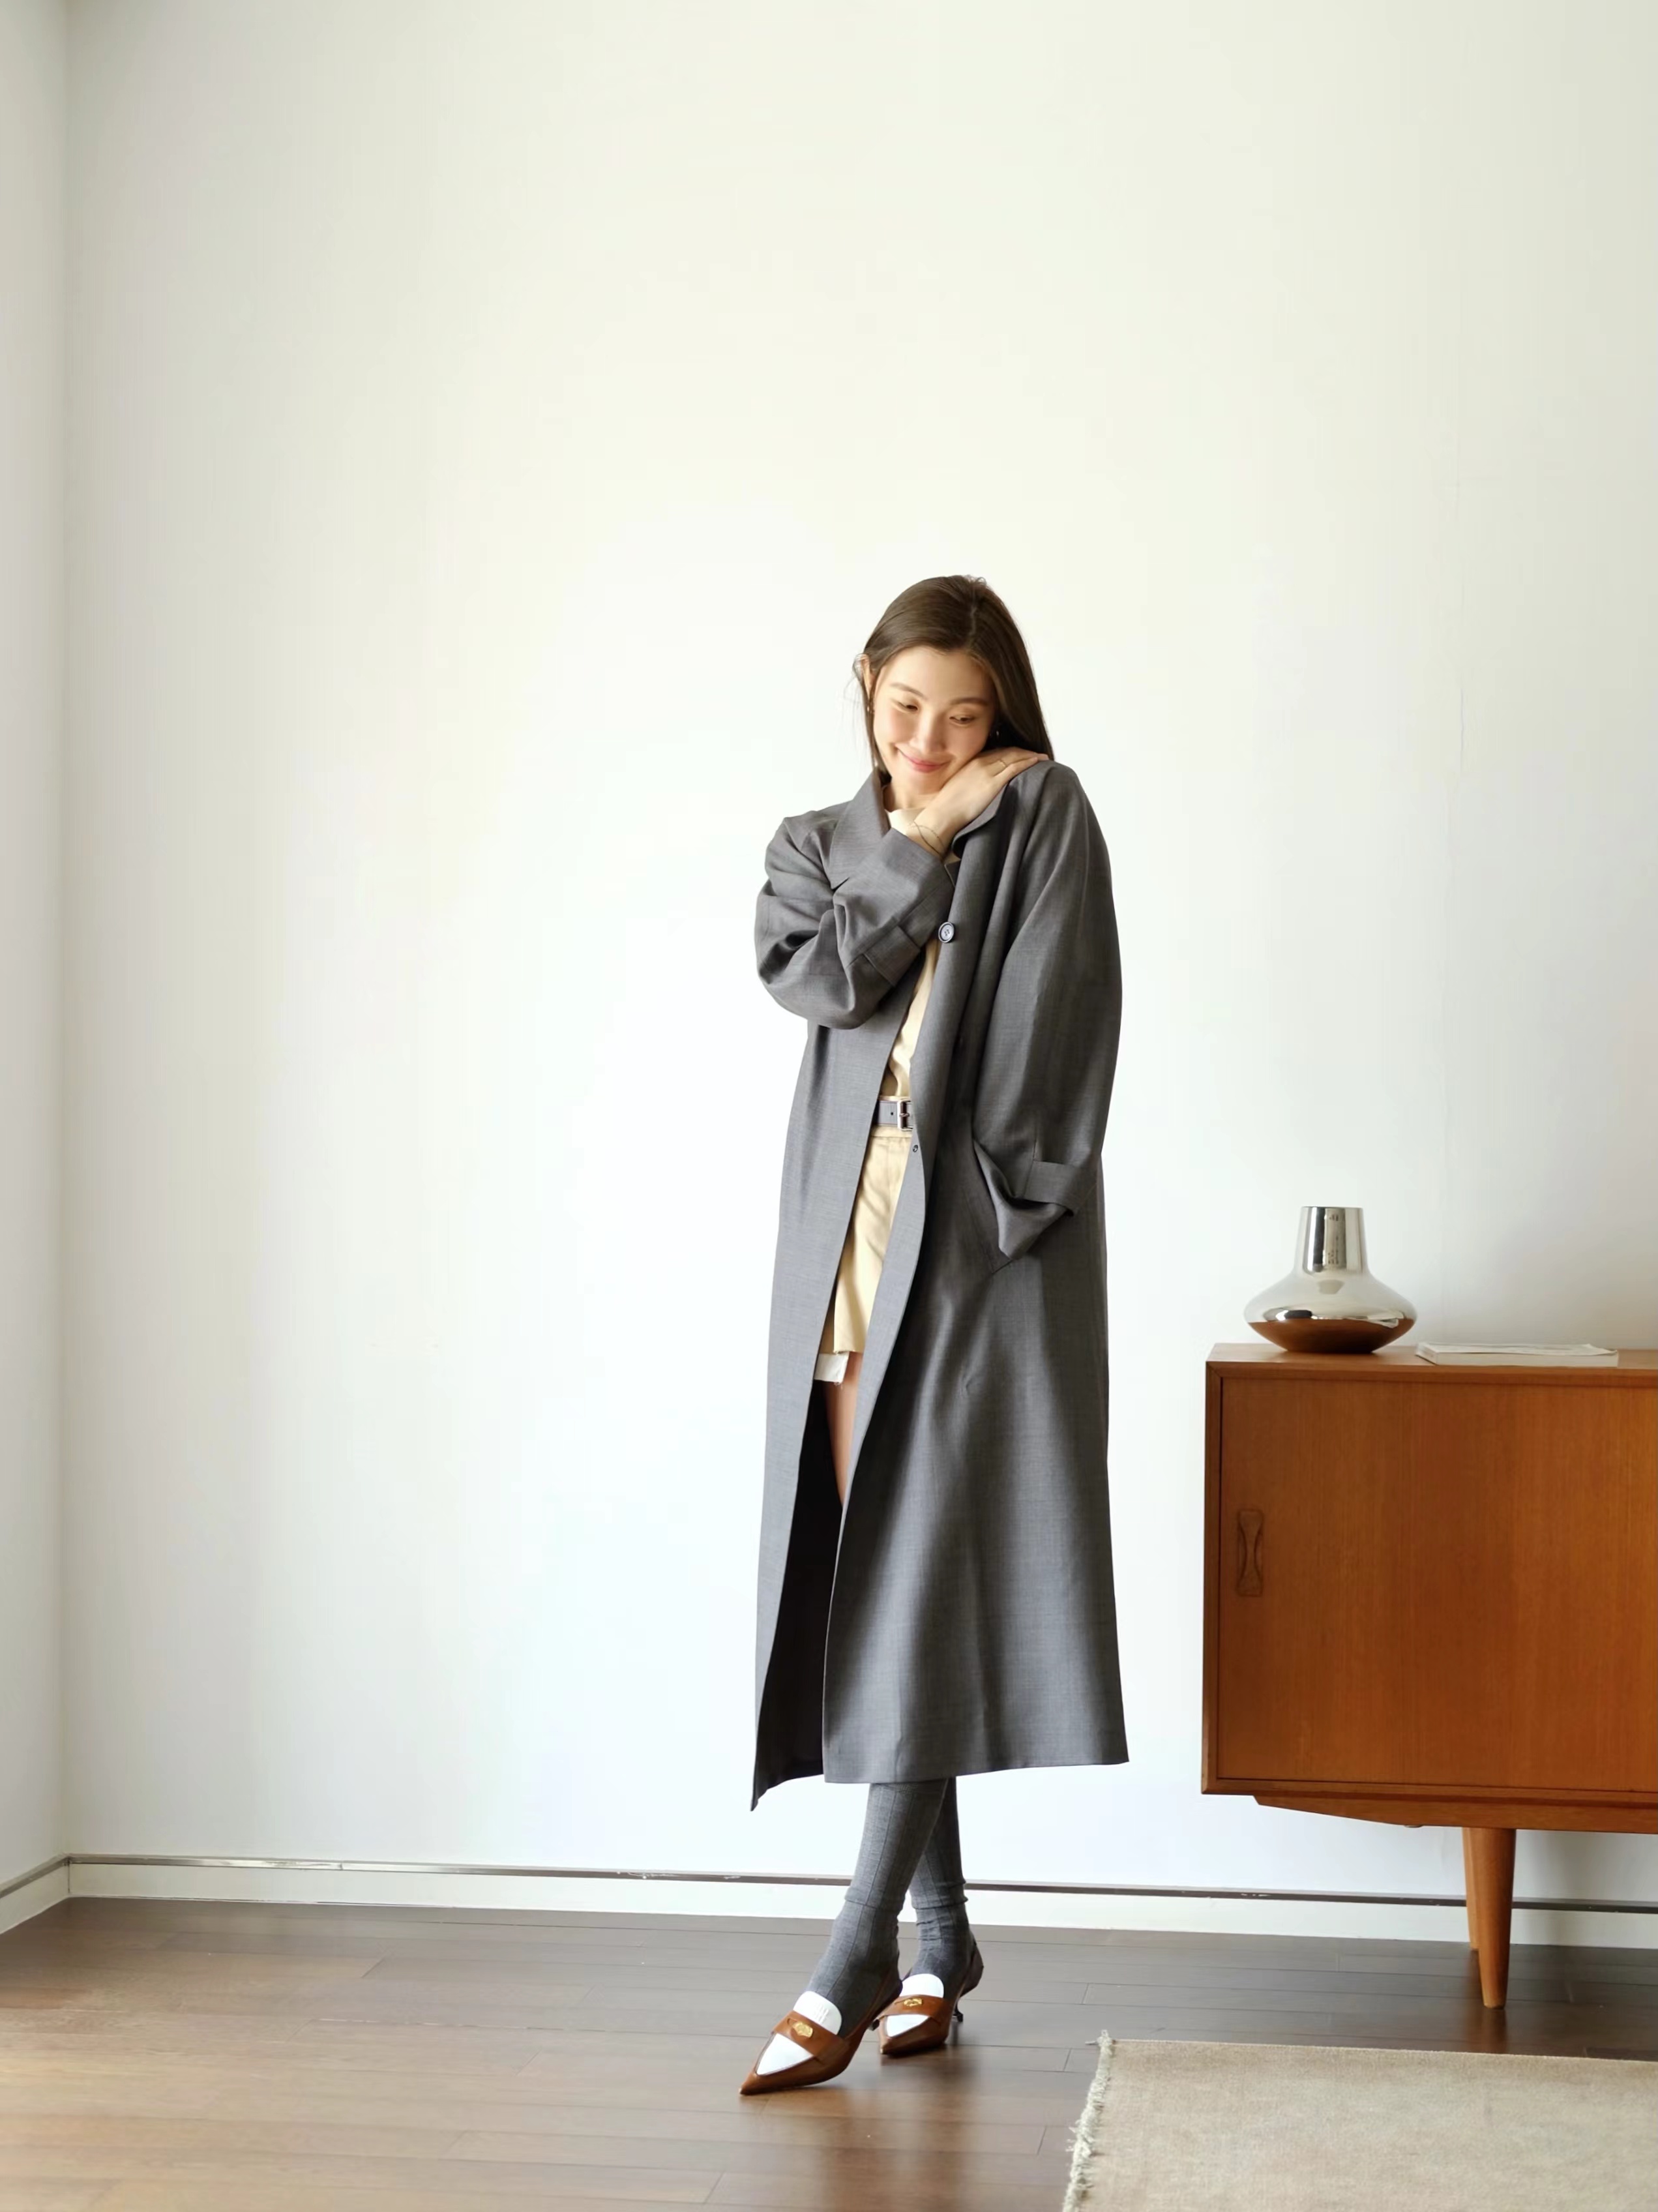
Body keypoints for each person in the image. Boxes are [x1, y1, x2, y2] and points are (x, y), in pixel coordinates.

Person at [741, 575, 1126, 2095]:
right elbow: (818, 978)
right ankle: (942, 1936)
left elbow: (1057, 1039)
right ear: (867, 685)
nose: (931, 739)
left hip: (972, 1256)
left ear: (1004, 711)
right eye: (908, 708)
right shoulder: (817, 849)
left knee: (916, 1583)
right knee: (892, 1581)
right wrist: (923, 833)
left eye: (966, 719)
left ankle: (852, 1955)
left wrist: (999, 1213)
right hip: (842, 1250)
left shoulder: (1049, 816)